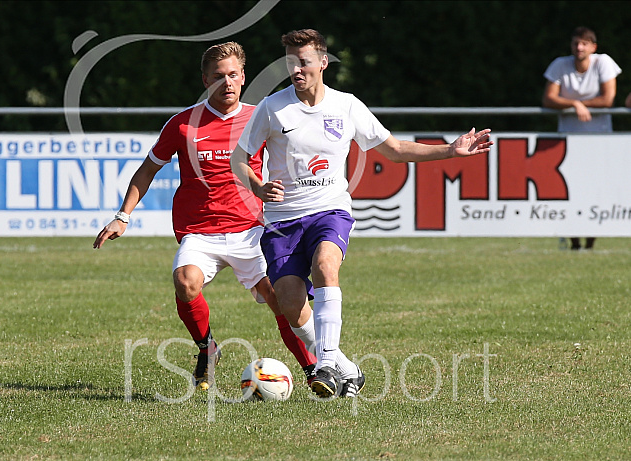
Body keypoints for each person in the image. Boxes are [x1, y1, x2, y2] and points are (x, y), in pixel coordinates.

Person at [231, 29, 493, 399]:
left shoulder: (347, 105)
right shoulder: (272, 108)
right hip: (282, 219)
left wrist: (449, 151)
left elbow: (396, 149)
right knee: (290, 304)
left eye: (303, 61)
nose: (296, 69)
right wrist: (257, 186)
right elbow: (238, 158)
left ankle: (324, 362)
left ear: (323, 63)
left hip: (329, 210)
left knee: (325, 265)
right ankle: (344, 365)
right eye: (290, 62)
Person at [93, 41, 316, 391]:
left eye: (232, 75)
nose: (226, 83)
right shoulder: (183, 125)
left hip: (251, 230)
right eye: (218, 77)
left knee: (281, 298)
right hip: (200, 232)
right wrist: (123, 215)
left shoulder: (263, 116)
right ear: (205, 79)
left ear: (243, 77)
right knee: (185, 282)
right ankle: (207, 348)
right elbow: (147, 170)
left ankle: (314, 370)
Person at [542, 26, 622, 251]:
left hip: (599, 141)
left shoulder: (603, 62)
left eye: (584, 43)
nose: (579, 47)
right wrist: (575, 104)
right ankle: (575, 243)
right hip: (567, 142)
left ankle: (590, 243)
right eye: (576, 43)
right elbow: (548, 99)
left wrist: (576, 103)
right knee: (569, 192)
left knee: (596, 191)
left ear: (593, 47)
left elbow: (608, 99)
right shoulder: (560, 64)